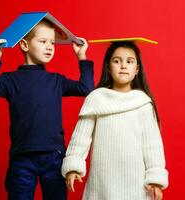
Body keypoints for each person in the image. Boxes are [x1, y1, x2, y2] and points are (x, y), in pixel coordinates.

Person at [0, 19, 94, 200]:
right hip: (22, 158)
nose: (50, 47)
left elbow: (86, 88)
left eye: (52, 43)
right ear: (25, 45)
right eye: (43, 42)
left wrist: (82, 56)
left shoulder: (56, 80)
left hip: (54, 156)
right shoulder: (11, 80)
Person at [61, 41, 168, 200]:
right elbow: (81, 137)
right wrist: (73, 167)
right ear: (108, 67)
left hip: (135, 184)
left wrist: (156, 179)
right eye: (117, 61)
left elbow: (152, 145)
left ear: (137, 69)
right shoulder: (96, 99)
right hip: (101, 183)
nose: (123, 65)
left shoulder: (143, 102)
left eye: (129, 61)